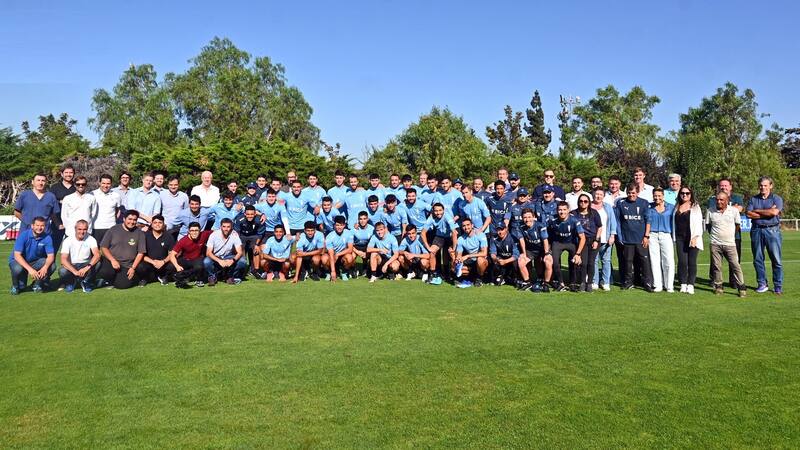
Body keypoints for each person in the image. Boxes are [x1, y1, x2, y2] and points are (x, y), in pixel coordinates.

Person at [746, 176, 783, 295]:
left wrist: (757, 211)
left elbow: (774, 212)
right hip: (756, 230)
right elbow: (748, 214)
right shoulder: (753, 199)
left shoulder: (776, 199)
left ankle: (778, 285)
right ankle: (762, 283)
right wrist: (767, 212)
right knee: (757, 259)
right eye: (761, 185)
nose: (763, 187)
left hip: (772, 231)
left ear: (770, 186)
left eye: (765, 185)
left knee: (776, 259)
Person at [615, 184, 654, 291]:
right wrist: (619, 235)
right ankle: (628, 282)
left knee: (644, 261)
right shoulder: (621, 203)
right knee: (628, 261)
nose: (631, 195)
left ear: (637, 193)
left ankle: (647, 283)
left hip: (641, 239)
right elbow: (618, 221)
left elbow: (648, 220)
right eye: (629, 193)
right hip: (627, 239)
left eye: (633, 193)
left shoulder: (644, 203)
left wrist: (646, 236)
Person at [707, 192, 747, 297]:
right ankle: (719, 286)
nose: (719, 202)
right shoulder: (710, 210)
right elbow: (708, 226)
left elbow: (737, 225)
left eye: (721, 200)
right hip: (715, 243)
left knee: (735, 265)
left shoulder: (734, 211)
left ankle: (741, 287)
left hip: (730, 244)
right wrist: (716, 237)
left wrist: (730, 236)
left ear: (727, 200)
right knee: (716, 266)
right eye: (717, 199)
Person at [96, 210, 147, 289]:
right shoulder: (113, 230)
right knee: (105, 272)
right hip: (112, 262)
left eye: (134, 220)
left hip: (127, 264)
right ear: (124, 219)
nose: (132, 222)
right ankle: (107, 279)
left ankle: (129, 278)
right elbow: (103, 247)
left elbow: (141, 253)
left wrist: (133, 268)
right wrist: (112, 260)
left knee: (123, 285)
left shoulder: (139, 233)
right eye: (129, 219)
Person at [8, 216, 55, 294]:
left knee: (51, 266)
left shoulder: (47, 238)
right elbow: (17, 255)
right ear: (32, 226)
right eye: (37, 225)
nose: (39, 228)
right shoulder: (24, 235)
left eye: (42, 226)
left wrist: (45, 267)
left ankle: (37, 284)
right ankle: (15, 287)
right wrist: (30, 270)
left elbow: (51, 256)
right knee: (17, 270)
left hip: (34, 262)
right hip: (18, 262)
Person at [672, 186, 703, 294]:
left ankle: (690, 284)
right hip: (680, 238)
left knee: (692, 262)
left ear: (691, 194)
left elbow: (699, 223)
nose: (684, 195)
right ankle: (683, 283)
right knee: (682, 261)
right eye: (682, 193)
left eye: (687, 193)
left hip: (692, 238)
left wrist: (695, 237)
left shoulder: (695, 207)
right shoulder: (676, 206)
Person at [548, 202, 586, 291]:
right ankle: (561, 283)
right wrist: (549, 247)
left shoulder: (574, 220)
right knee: (555, 263)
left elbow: (582, 237)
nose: (562, 212)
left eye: (564, 209)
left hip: (571, 243)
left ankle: (572, 283)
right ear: (557, 210)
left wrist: (578, 253)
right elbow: (548, 234)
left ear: (568, 210)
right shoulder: (552, 220)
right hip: (557, 243)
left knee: (573, 263)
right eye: (560, 210)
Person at [571, 193, 603, 292]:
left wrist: (597, 240)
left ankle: (589, 283)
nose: (583, 203)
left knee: (591, 262)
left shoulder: (594, 212)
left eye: (585, 201)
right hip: (581, 241)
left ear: (589, 202)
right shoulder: (574, 213)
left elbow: (600, 227)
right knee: (583, 263)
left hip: (593, 240)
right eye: (581, 201)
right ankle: (582, 282)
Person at [420, 203, 459, 286]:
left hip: (449, 237)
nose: (438, 212)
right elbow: (423, 233)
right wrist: (428, 247)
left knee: (452, 255)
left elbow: (454, 232)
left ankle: (453, 276)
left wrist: (454, 248)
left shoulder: (447, 217)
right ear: (433, 211)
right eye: (436, 211)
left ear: (443, 210)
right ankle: (432, 274)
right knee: (432, 252)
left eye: (440, 210)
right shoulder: (431, 218)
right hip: (439, 236)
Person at [58, 219, 101, 293]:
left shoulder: (91, 239)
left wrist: (86, 268)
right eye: (79, 229)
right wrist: (74, 271)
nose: (82, 232)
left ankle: (85, 282)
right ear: (75, 229)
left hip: (85, 264)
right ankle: (70, 282)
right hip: (72, 265)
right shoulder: (68, 240)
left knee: (98, 263)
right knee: (62, 271)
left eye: (84, 229)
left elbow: (97, 255)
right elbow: (63, 259)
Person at [204, 218, 246, 286]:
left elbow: (240, 252)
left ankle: (231, 276)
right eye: (224, 226)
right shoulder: (214, 235)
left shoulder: (234, 235)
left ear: (231, 227)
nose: (226, 229)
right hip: (216, 256)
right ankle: (212, 277)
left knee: (243, 261)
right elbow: (208, 253)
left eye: (228, 227)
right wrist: (219, 261)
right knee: (206, 261)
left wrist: (233, 260)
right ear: (220, 227)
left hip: (228, 256)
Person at [648, 188, 675, 293]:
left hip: (666, 235)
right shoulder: (649, 207)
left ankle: (669, 285)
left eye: (659, 196)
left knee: (668, 261)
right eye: (655, 195)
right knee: (654, 261)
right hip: (653, 235)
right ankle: (658, 284)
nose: (657, 198)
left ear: (663, 196)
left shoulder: (671, 207)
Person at [517, 208, 552, 292]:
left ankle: (546, 284)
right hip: (531, 250)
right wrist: (524, 254)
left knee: (548, 262)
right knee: (521, 262)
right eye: (525, 217)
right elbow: (521, 240)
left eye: (529, 217)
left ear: (533, 217)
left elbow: (545, 240)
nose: (527, 219)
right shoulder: (520, 226)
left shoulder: (540, 226)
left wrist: (547, 253)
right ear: (522, 218)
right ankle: (527, 283)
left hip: (542, 249)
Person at [169, 222, 212, 288]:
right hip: (186, 259)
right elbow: (172, 255)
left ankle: (199, 280)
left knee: (199, 267)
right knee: (171, 266)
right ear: (188, 231)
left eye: (196, 230)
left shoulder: (204, 234)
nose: (194, 232)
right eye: (192, 230)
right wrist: (177, 266)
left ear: (200, 231)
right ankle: (172, 278)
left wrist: (232, 232)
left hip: (198, 258)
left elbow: (216, 231)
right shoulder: (183, 240)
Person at [139, 215, 177, 285]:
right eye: (155, 222)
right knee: (140, 266)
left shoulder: (169, 236)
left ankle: (163, 276)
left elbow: (171, 254)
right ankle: (145, 278)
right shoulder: (145, 236)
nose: (157, 224)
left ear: (163, 224)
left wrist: (163, 261)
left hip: (163, 263)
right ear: (152, 225)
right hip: (149, 262)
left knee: (173, 266)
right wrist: (153, 262)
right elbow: (141, 254)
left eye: (160, 222)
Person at [591, 188, 616, 291]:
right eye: (596, 194)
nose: (598, 196)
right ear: (593, 195)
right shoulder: (589, 206)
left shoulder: (608, 207)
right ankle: (594, 281)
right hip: (593, 239)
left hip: (606, 238)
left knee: (606, 260)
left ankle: (605, 282)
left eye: (601, 194)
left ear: (604, 196)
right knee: (594, 261)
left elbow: (613, 222)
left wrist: (612, 235)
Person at [454, 217, 489, 288]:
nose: (466, 227)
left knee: (480, 260)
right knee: (455, 265)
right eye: (464, 226)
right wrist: (458, 259)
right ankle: (469, 276)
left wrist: (467, 256)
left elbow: (484, 253)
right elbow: (459, 254)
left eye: (468, 225)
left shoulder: (480, 235)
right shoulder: (460, 239)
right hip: (471, 261)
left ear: (472, 225)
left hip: (482, 260)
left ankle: (480, 279)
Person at [233, 205, 266, 276]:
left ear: (255, 214)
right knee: (241, 250)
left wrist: (257, 245)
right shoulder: (239, 219)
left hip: (254, 235)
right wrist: (239, 244)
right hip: (242, 235)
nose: (250, 216)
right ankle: (242, 269)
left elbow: (260, 234)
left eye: (251, 214)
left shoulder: (259, 220)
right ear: (245, 214)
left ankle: (256, 270)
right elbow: (237, 233)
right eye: (247, 214)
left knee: (256, 250)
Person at [49, 164, 75, 251]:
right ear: (62, 174)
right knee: (53, 249)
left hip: (73, 225)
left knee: (72, 250)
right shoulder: (55, 188)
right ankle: (50, 265)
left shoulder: (77, 187)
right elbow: (50, 207)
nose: (68, 174)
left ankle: (70, 265)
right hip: (58, 223)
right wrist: (57, 223)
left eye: (71, 172)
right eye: (66, 172)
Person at [91, 173, 122, 244]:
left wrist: (114, 220)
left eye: (108, 183)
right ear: (99, 183)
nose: (105, 186)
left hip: (111, 227)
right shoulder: (92, 194)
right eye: (103, 183)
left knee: (110, 250)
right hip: (96, 227)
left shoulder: (116, 196)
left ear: (111, 184)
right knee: (96, 251)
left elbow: (118, 210)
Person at [323, 216, 355, 281]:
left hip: (342, 255)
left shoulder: (349, 233)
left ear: (344, 225)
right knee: (324, 258)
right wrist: (333, 271)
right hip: (332, 255)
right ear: (334, 225)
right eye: (337, 225)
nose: (339, 227)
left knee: (350, 257)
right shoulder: (330, 236)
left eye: (341, 225)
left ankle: (344, 273)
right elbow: (331, 254)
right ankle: (328, 273)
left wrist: (338, 254)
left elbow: (350, 249)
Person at [488, 223, 518, 287]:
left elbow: (516, 255)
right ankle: (497, 277)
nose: (500, 232)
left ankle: (515, 277)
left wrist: (505, 261)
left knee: (516, 262)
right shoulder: (493, 238)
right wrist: (497, 259)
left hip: (510, 260)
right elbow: (492, 253)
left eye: (501, 229)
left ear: (506, 229)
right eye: (498, 230)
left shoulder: (512, 238)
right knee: (492, 261)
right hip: (500, 260)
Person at [351, 211, 375, 278]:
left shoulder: (372, 229)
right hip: (356, 246)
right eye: (360, 219)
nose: (362, 221)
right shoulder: (354, 229)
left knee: (371, 255)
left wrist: (366, 252)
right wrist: (357, 252)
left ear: (367, 219)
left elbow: (373, 243)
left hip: (367, 246)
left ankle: (365, 268)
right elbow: (349, 245)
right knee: (352, 256)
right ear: (358, 220)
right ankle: (354, 270)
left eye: (364, 219)